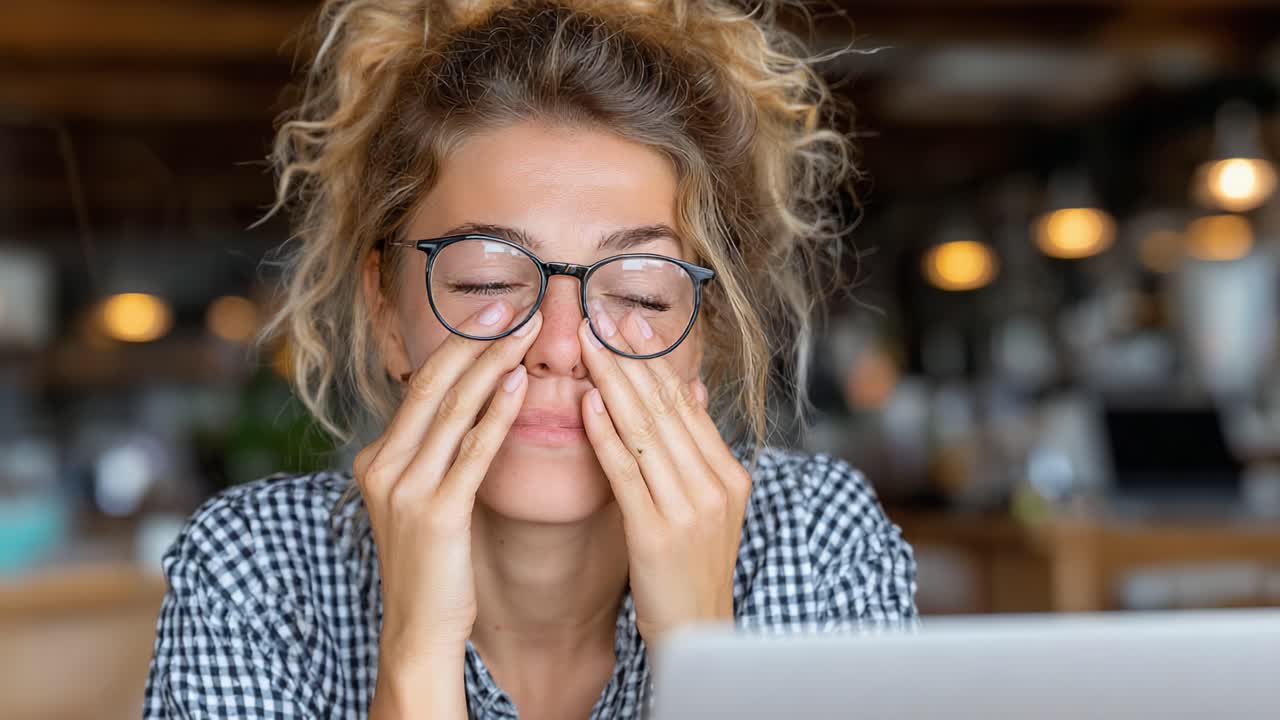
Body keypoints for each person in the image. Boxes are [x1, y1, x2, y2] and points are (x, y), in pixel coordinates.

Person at [142, 1, 917, 718]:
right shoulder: (252, 573)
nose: (558, 347)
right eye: (488, 279)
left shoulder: (816, 545)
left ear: (703, 331)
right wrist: (416, 655)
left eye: (641, 293)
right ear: (385, 313)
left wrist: (699, 653)